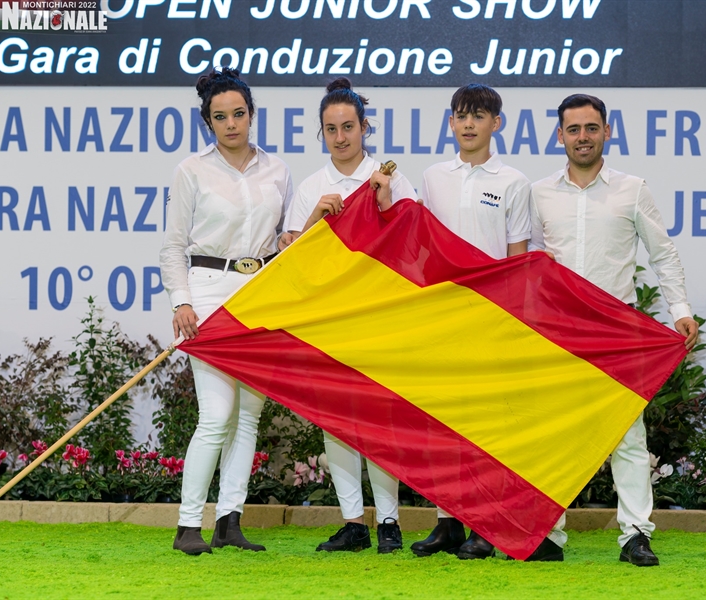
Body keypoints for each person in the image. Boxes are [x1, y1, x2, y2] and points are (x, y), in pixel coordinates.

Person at [530, 93, 700, 567]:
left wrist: (680, 309)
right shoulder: (540, 192)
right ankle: (548, 535)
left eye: (591, 128)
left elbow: (662, 253)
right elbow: (531, 264)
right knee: (554, 434)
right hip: (558, 329)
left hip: (615, 329)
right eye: (573, 129)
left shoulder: (632, 188)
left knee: (627, 437)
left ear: (607, 132)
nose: (582, 137)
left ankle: (635, 537)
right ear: (559, 135)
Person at [409, 83, 561, 561]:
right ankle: (447, 521)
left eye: (479, 115)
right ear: (450, 123)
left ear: (498, 123)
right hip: (443, 317)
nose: (469, 124)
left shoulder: (514, 181)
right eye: (461, 115)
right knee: (445, 425)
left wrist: (512, 322)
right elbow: (421, 247)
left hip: (493, 320)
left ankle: (486, 523)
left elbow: (518, 258)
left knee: (487, 426)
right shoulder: (433, 177)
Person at [159, 67, 293, 556]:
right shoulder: (191, 170)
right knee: (216, 414)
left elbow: (284, 238)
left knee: (248, 417)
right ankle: (187, 525)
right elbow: (173, 246)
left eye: (239, 114)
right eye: (220, 117)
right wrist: (182, 301)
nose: (231, 123)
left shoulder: (278, 170)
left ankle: (229, 522)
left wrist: (287, 241)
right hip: (209, 292)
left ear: (252, 115)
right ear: (207, 122)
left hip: (260, 292)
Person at [279, 77, 415, 555]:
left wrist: (382, 204)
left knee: (381, 420)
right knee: (336, 420)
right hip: (329, 319)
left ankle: (391, 523)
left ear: (365, 127)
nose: (341, 137)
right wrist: (316, 219)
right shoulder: (312, 187)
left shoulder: (390, 177)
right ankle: (354, 522)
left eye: (349, 126)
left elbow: (415, 246)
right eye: (331, 129)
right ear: (321, 133)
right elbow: (290, 263)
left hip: (379, 315)